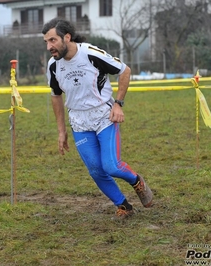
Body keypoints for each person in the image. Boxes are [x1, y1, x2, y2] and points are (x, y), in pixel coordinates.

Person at [42, 18, 153, 219]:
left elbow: (124, 70)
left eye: (53, 40)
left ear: (66, 37)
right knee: (95, 170)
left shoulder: (90, 53)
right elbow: (56, 96)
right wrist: (61, 130)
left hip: (104, 115)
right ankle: (123, 205)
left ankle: (137, 181)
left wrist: (118, 104)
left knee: (111, 166)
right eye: (46, 42)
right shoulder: (53, 66)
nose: (49, 47)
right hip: (79, 121)